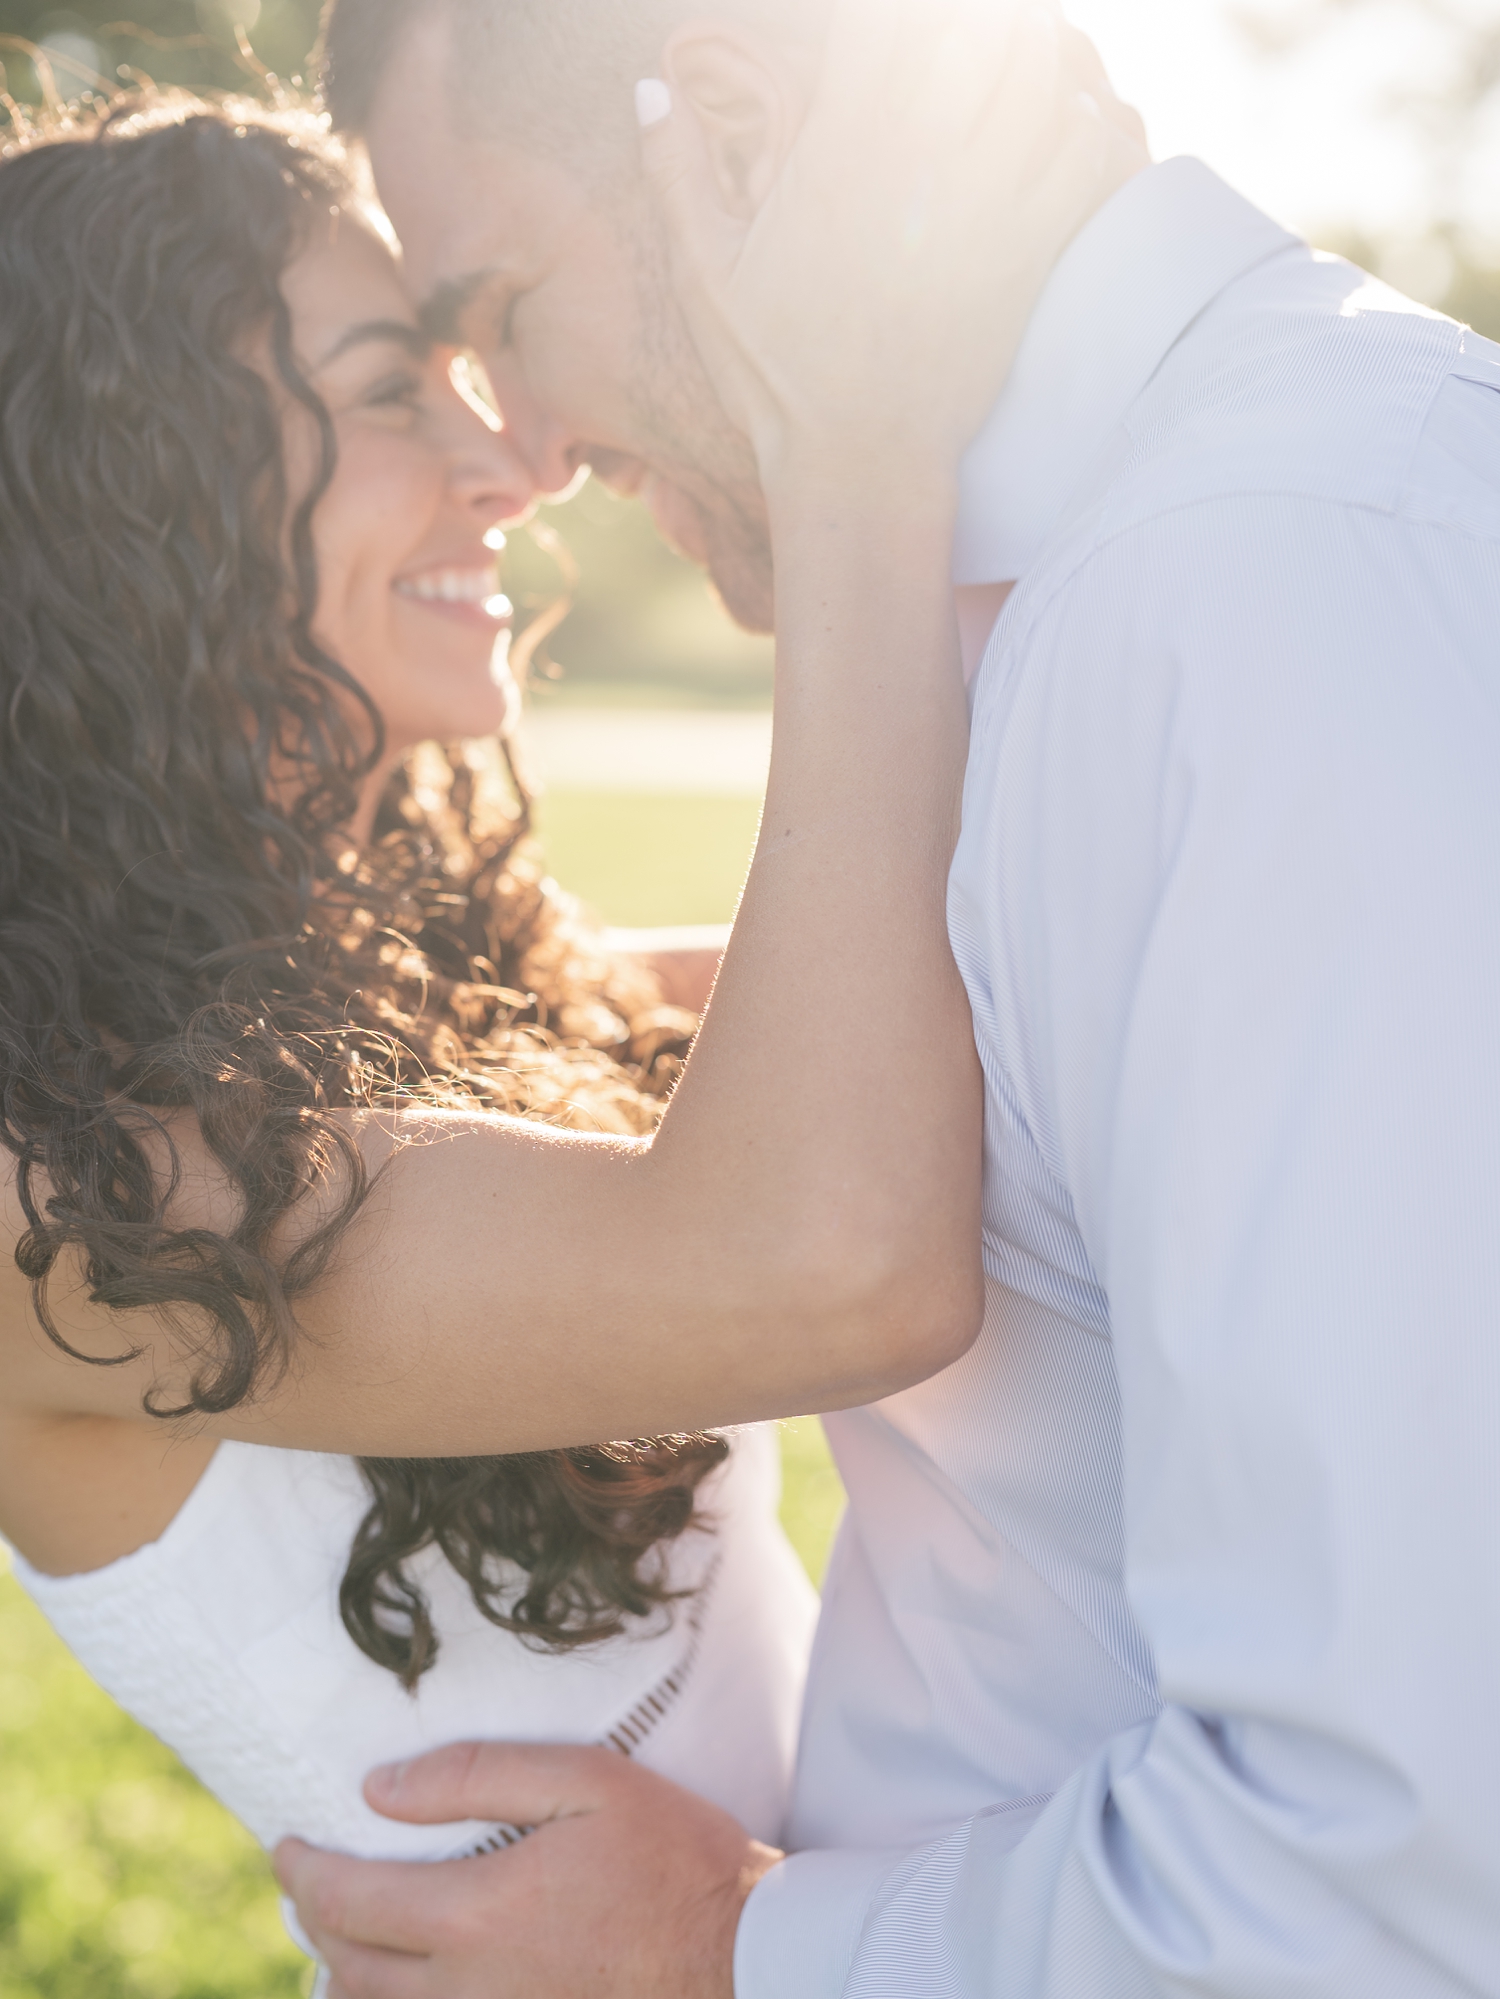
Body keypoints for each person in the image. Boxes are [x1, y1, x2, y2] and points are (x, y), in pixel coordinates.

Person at [274, 0, 1500, 1994]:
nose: (535, 448)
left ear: (734, 123)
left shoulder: (1278, 601)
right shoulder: (1074, 584)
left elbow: (1408, 1871)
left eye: (501, 309)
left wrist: (737, 1943)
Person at [0, 5, 1121, 1990]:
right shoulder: (51, 1185)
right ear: (131, 500)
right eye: (386, 392)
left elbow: (928, 999)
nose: (514, 462)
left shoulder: (385, 975)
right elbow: (830, 1254)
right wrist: (855, 453)